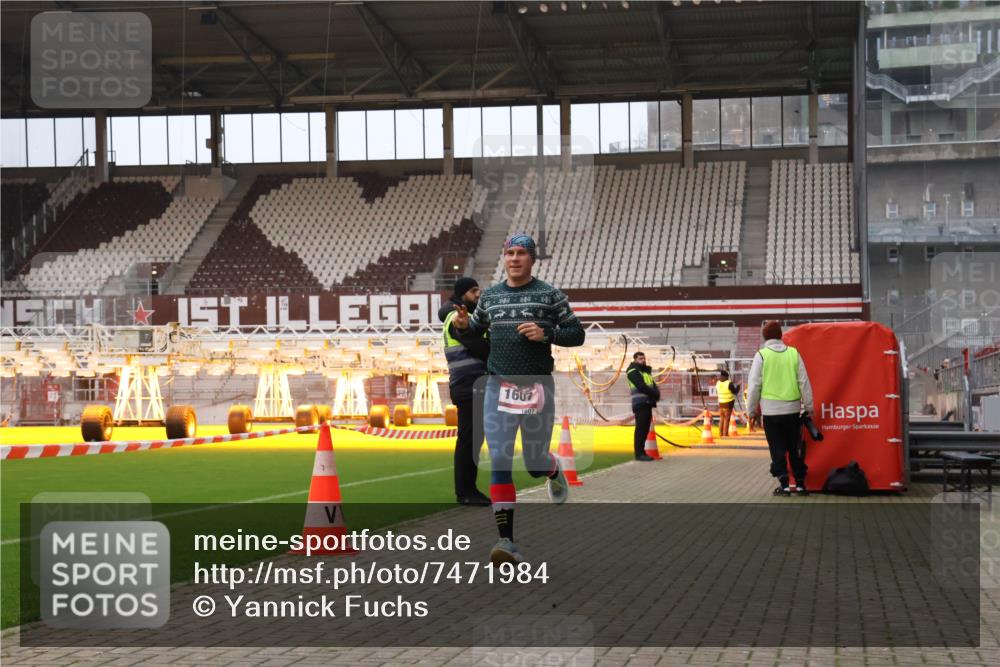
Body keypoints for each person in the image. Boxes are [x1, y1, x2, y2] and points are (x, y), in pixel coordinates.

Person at [451, 233, 585, 564]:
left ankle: (552, 468)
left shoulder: (550, 295)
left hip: (537, 386)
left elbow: (577, 334)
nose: (514, 258)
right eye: (509, 252)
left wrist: (546, 333)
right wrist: (463, 326)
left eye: (521, 252)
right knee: (499, 459)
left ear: (532, 259)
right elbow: (475, 329)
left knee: (534, 463)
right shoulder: (490, 297)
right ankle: (506, 541)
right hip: (498, 386)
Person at [439, 277, 491, 507]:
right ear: (462, 295)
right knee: (469, 440)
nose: (478, 294)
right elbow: (481, 349)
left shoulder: (463, 316)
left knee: (472, 439)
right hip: (469, 386)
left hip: (470, 385)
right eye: (473, 290)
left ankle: (469, 489)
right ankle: (466, 492)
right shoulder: (457, 318)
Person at [746, 320, 814, 496]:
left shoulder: (761, 356)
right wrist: (809, 407)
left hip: (771, 412)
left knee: (777, 449)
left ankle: (784, 484)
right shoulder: (793, 353)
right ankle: (800, 483)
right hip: (792, 411)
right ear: (780, 335)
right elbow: (804, 382)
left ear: (764, 337)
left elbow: (754, 385)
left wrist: (751, 410)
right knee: (794, 448)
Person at [626, 351, 659, 461]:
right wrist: (655, 394)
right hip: (640, 403)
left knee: (645, 429)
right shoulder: (633, 371)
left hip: (647, 402)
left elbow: (652, 385)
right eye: (640, 359)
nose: (643, 360)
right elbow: (641, 386)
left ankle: (642, 452)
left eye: (644, 358)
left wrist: (656, 393)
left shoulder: (645, 372)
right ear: (635, 360)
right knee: (641, 429)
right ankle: (639, 453)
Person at [715, 370, 741, 437]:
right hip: (728, 404)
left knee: (721, 419)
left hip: (721, 403)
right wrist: (738, 386)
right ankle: (725, 434)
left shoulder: (718, 383)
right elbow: (735, 392)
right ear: (726, 376)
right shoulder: (728, 383)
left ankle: (720, 434)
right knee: (727, 419)